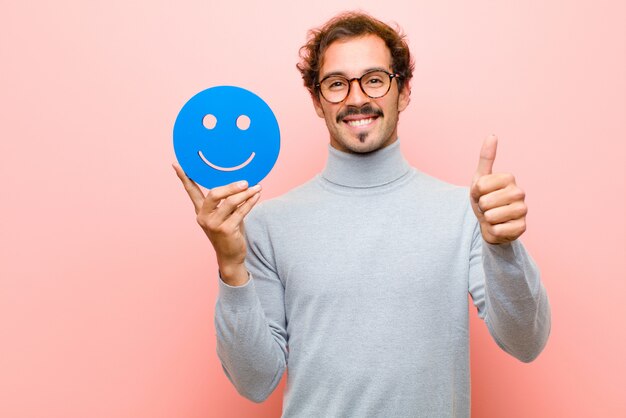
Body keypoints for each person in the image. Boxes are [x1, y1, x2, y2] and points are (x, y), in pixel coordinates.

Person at [173, 11, 551, 418]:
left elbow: (526, 342)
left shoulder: (466, 214)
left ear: (403, 91)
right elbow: (254, 382)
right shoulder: (268, 226)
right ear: (317, 101)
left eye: (373, 79)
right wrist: (231, 265)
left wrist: (504, 248)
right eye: (336, 84)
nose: (356, 98)